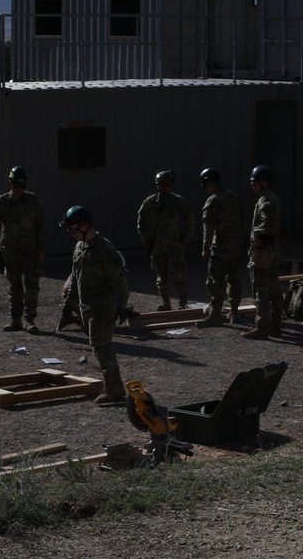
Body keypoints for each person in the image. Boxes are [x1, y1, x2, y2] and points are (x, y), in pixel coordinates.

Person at [60, 206, 130, 404]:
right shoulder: (79, 247)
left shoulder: (105, 249)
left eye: (73, 229)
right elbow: (74, 276)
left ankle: (114, 388)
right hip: (86, 306)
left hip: (103, 306)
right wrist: (68, 303)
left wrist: (121, 306)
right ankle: (113, 385)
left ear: (85, 225)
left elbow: (120, 280)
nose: (71, 234)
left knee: (101, 345)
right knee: (97, 345)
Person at [0, 166, 47, 333]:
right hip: (10, 251)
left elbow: (41, 226)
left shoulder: (33, 201)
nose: (20, 190)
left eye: (23, 186)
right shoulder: (1, 203)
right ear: (10, 184)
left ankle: (29, 319)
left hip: (30, 251)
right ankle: (15, 319)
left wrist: (41, 247)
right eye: (16, 186)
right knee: (15, 286)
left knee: (32, 285)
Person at [136, 169, 194, 311]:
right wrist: (146, 239)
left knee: (179, 274)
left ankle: (182, 303)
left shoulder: (179, 202)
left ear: (171, 184)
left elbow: (190, 220)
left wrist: (186, 238)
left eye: (166, 184)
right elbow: (140, 220)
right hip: (158, 246)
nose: (162, 188)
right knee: (161, 276)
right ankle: (166, 302)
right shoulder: (150, 202)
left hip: (175, 245)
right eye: (160, 185)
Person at [196, 168, 244, 328]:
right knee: (233, 278)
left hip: (220, 248)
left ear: (209, 183)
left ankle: (215, 314)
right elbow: (241, 222)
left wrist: (206, 248)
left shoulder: (213, 201)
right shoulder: (233, 197)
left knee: (215, 281)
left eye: (204, 185)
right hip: (235, 247)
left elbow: (208, 228)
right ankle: (234, 312)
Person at [243, 164, 284, 340]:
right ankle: (275, 325)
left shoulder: (266, 201)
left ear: (264, 182)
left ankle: (262, 327)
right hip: (271, 251)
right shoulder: (269, 198)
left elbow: (269, 224)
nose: (252, 185)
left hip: (263, 252)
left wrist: (258, 236)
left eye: (254, 182)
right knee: (274, 288)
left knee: (261, 290)